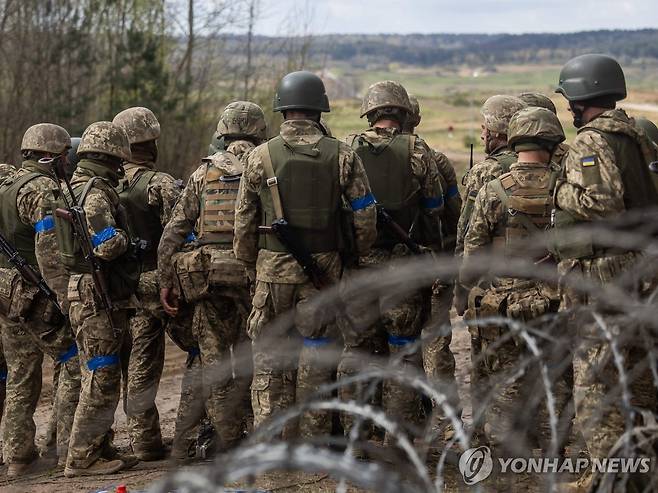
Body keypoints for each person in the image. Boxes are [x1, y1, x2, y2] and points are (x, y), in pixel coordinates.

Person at [234, 71, 377, 438]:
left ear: (283, 109)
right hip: (324, 270)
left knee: (269, 357)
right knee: (315, 354)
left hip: (271, 272)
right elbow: (364, 213)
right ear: (320, 110)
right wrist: (356, 256)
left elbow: (244, 223)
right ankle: (313, 441)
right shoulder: (343, 155)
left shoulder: (258, 157)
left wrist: (252, 263)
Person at [552, 53, 658, 488]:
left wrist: (561, 194)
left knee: (596, 385)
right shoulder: (639, 137)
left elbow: (602, 203)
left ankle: (608, 479)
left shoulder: (591, 142)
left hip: (604, 275)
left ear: (581, 95)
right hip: (642, 268)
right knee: (639, 377)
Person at [158, 101, 267, 458]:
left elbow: (173, 233)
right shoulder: (267, 165)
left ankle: (228, 442)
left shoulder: (203, 174)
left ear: (223, 132)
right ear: (259, 130)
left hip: (209, 280)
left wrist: (166, 281)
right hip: (255, 279)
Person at [461, 107, 569, 455]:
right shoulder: (564, 186)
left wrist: (468, 289)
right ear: (552, 141)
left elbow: (473, 249)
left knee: (506, 377)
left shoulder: (494, 189)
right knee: (555, 375)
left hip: (502, 299)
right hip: (554, 298)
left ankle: (508, 450)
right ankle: (553, 446)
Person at [344, 80, 443, 443]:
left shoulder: (349, 148)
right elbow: (434, 207)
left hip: (360, 270)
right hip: (403, 268)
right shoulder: (419, 149)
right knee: (402, 354)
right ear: (402, 114)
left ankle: (356, 440)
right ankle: (397, 444)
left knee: (357, 354)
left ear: (370, 114)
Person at [54, 121, 141, 477]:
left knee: (103, 368)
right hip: (94, 289)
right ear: (111, 156)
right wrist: (127, 238)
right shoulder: (94, 192)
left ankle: (99, 446)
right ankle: (81, 457)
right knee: (101, 372)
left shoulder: (74, 186)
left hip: (85, 287)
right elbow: (105, 243)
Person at [0, 124, 81, 476]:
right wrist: (65, 298)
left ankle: (17, 456)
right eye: (66, 156)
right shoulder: (42, 189)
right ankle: (65, 448)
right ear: (54, 157)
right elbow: (49, 251)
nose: (69, 163)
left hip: (5, 291)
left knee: (21, 370)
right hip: (32, 290)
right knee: (74, 360)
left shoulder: (7, 185)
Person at [454, 94, 526, 442]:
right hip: (541, 281)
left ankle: (483, 434)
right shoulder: (546, 166)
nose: (481, 134)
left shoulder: (486, 171)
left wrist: (460, 287)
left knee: (485, 360)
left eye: (485, 127)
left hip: (492, 284)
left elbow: (467, 232)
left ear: (498, 132)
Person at [112, 106, 181, 460]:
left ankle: (143, 439)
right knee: (203, 349)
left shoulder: (103, 184)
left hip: (121, 285)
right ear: (151, 143)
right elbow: (179, 235)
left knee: (135, 360)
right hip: (160, 281)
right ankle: (193, 431)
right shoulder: (161, 184)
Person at [403, 95, 462, 445]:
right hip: (434, 261)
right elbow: (453, 213)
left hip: (384, 267)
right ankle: (449, 417)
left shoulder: (359, 152)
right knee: (436, 345)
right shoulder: (435, 159)